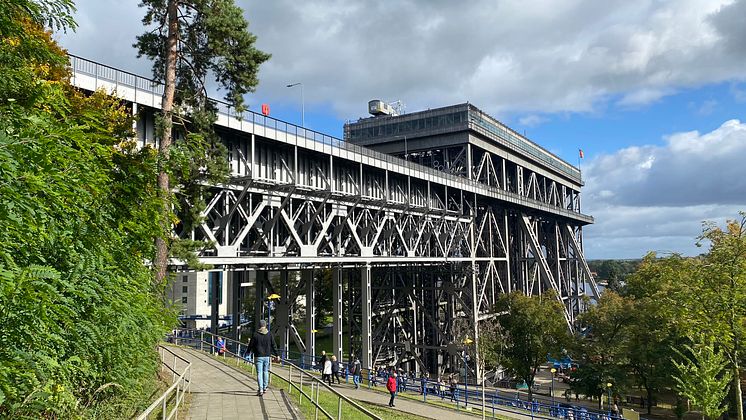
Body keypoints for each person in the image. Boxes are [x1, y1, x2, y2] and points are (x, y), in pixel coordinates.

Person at [248, 319, 277, 396]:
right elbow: (273, 345)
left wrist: (248, 352)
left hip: (258, 356)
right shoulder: (269, 334)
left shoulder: (255, 334)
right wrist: (277, 354)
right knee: (265, 371)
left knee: (259, 373)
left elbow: (251, 345)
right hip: (267, 356)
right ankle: (265, 387)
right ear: (265, 325)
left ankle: (260, 389)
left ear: (259, 325)